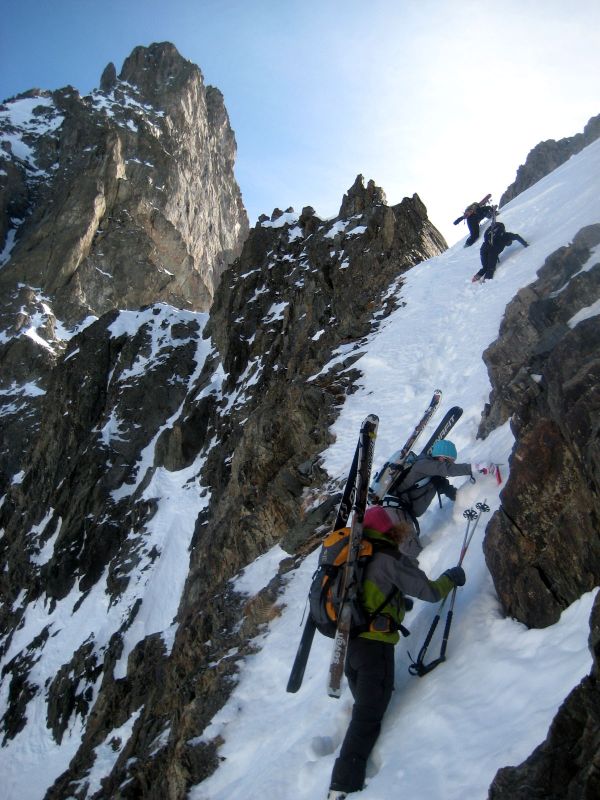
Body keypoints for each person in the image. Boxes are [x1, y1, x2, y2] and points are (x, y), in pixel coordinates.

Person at [327, 505, 465, 799]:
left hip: (349, 647)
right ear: (391, 530)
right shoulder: (388, 558)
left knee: (365, 706)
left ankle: (344, 778)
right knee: (367, 717)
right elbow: (429, 591)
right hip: (375, 651)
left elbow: (371, 594)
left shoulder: (354, 559)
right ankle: (342, 785)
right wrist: (451, 578)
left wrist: (398, 603)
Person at [382, 440, 473, 544]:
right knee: (409, 550)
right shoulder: (423, 464)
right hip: (395, 510)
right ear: (442, 458)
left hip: (402, 512)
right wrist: (474, 468)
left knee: (406, 549)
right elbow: (447, 469)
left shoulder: (433, 475)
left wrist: (466, 499)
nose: (451, 464)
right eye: (450, 462)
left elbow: (449, 490)